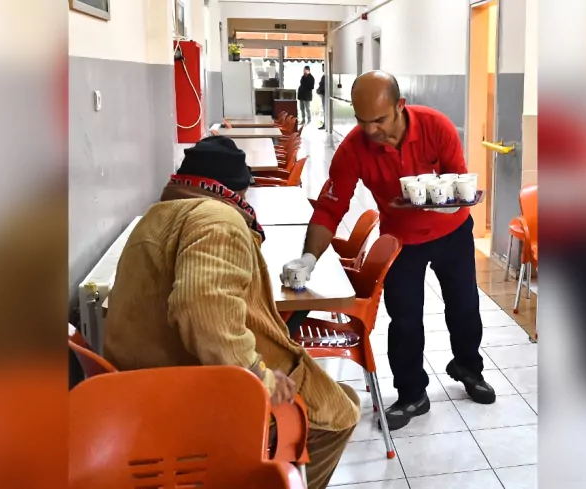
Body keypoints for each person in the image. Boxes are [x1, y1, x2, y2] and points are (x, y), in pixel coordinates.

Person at [102, 136, 360, 489]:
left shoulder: (156, 216)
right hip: (194, 403)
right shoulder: (218, 219)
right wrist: (259, 378)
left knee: (335, 395)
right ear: (237, 190)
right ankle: (276, 480)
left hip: (144, 394)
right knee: (340, 413)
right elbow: (203, 313)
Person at [280, 71, 495, 432]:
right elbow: (331, 208)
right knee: (406, 319)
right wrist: (309, 257)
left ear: (400, 106)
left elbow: (458, 180)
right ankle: (412, 393)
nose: (370, 130)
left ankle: (467, 368)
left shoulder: (435, 127)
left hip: (451, 232)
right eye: (363, 121)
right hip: (400, 240)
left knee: (464, 307)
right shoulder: (353, 149)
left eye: (379, 120)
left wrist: (438, 204)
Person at [316, 64, 326, 130]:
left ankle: (325, 124)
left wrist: (318, 91)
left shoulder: (325, 77)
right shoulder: (324, 76)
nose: (322, 69)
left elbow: (322, 86)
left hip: (324, 95)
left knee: (325, 110)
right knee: (325, 110)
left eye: (323, 67)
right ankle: (325, 124)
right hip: (323, 94)